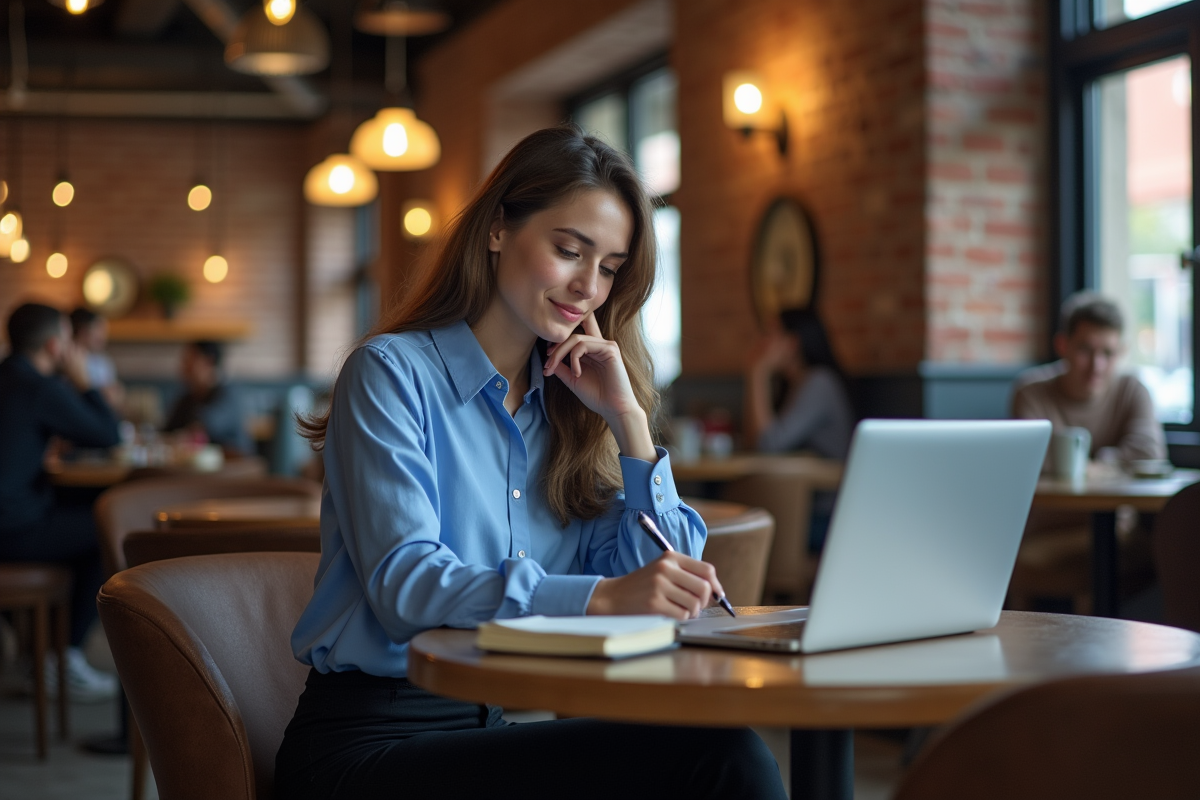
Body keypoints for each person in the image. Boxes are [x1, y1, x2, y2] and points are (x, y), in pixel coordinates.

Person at [274, 127, 787, 800]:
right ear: (495, 230)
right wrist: (599, 599)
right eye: (568, 250)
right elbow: (406, 587)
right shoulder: (391, 373)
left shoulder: (573, 411)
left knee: (720, 750)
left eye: (609, 267)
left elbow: (659, 583)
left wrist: (628, 422)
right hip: (368, 745)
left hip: (496, 727)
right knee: (718, 758)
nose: (588, 287)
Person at [0, 303, 121, 700]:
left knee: (79, 519)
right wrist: (85, 382)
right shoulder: (40, 387)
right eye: (69, 340)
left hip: (12, 519)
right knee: (105, 529)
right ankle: (61, 657)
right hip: (12, 529)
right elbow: (107, 434)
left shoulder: (8, 377)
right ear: (55, 345)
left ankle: (38, 651)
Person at [1012, 291, 1166, 467]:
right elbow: (1028, 461)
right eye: (1085, 350)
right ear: (1062, 345)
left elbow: (1150, 453)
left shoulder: (1132, 390)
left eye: (1108, 353)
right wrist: (1113, 463)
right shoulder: (1032, 393)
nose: (1096, 366)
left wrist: (1099, 463)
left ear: (1121, 352)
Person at [743, 307, 855, 461]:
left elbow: (768, 445)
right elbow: (753, 443)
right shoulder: (792, 385)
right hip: (799, 481)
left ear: (792, 343)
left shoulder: (820, 383)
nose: (763, 342)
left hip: (824, 483)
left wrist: (758, 374)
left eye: (771, 334)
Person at [163, 340, 253, 456]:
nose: (183, 367)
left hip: (234, 466)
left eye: (190, 360)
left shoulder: (230, 394)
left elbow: (206, 425)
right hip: (199, 468)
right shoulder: (188, 398)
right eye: (184, 361)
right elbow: (167, 432)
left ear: (209, 361)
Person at [70, 306, 124, 411]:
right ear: (83, 332)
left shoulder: (103, 362)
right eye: (99, 329)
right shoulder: (67, 360)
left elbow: (114, 396)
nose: (103, 336)